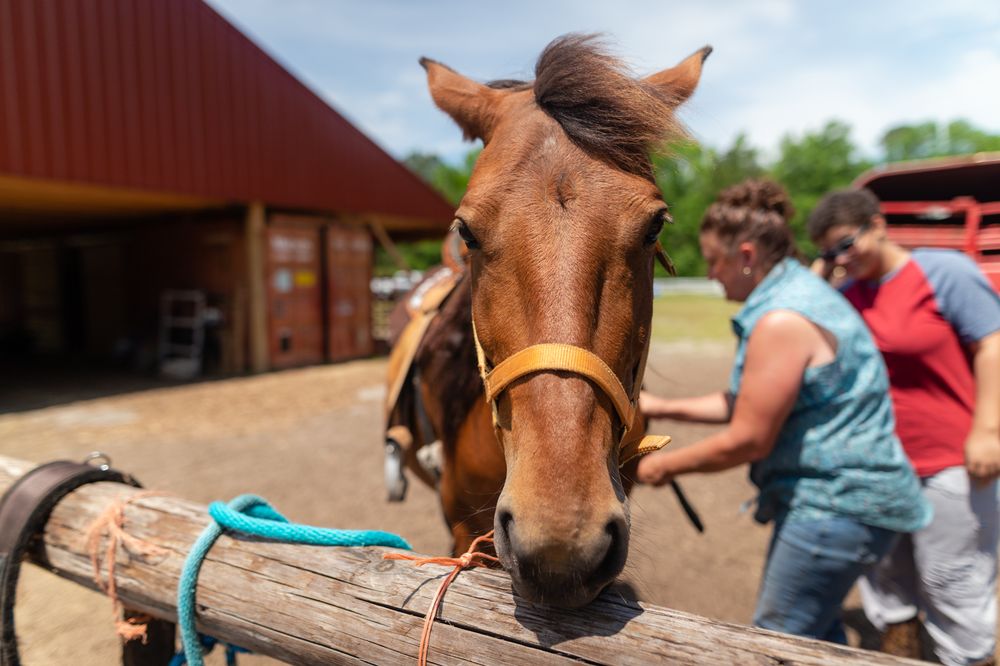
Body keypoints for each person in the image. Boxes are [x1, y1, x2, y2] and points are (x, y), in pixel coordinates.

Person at [637, 179, 932, 644]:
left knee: (777, 639)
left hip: (835, 504)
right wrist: (660, 406)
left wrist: (659, 465)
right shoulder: (797, 295)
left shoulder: (781, 319)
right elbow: (751, 403)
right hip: (853, 502)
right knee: (816, 631)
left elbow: (751, 438)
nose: (712, 275)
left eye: (716, 262)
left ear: (748, 256)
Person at [809, 189, 1000, 666]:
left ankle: (970, 657)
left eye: (846, 244)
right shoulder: (848, 295)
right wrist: (820, 279)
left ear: (878, 226)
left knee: (950, 575)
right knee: (885, 570)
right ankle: (901, 646)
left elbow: (993, 346)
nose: (840, 258)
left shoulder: (942, 273)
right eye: (829, 252)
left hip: (950, 458)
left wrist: (988, 431)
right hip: (880, 463)